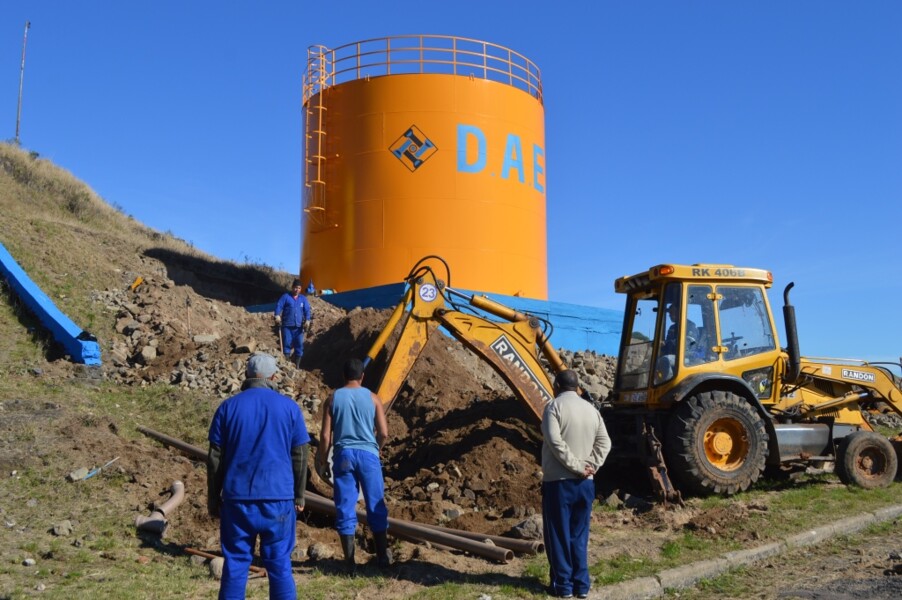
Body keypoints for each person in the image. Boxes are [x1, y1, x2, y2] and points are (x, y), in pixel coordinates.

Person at [207, 353, 310, 600]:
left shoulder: (227, 407)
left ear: (247, 376)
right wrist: (299, 495)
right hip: (278, 500)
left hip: (237, 500)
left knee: (235, 564)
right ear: (273, 377)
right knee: (279, 564)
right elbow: (300, 454)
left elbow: (215, 458)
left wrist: (213, 497)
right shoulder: (289, 408)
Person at [316, 358, 391, 574]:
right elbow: (384, 433)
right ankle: (383, 559)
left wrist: (323, 459)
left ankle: (350, 563)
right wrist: (376, 448)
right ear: (362, 376)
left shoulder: (332, 399)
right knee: (375, 503)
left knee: (345, 506)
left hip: (343, 456)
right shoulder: (373, 398)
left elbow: (325, 436)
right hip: (368, 456)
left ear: (343, 376)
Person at [541, 369, 611, 599]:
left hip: (559, 484)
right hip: (586, 484)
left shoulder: (553, 407)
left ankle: (563, 587)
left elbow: (555, 442)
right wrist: (591, 465)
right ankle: (581, 586)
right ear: (577, 387)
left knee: (558, 536)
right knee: (579, 536)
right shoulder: (592, 410)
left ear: (556, 386)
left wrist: (577, 466)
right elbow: (605, 443)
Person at [275, 279, 312, 368]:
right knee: (287, 344)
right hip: (287, 326)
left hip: (298, 327)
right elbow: (279, 306)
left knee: (299, 345)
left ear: (301, 289)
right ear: (292, 288)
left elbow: (307, 310)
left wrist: (307, 320)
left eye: (299, 288)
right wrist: (277, 315)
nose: (297, 290)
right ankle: (287, 365)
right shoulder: (286, 297)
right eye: (295, 288)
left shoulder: (303, 299)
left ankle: (297, 366)